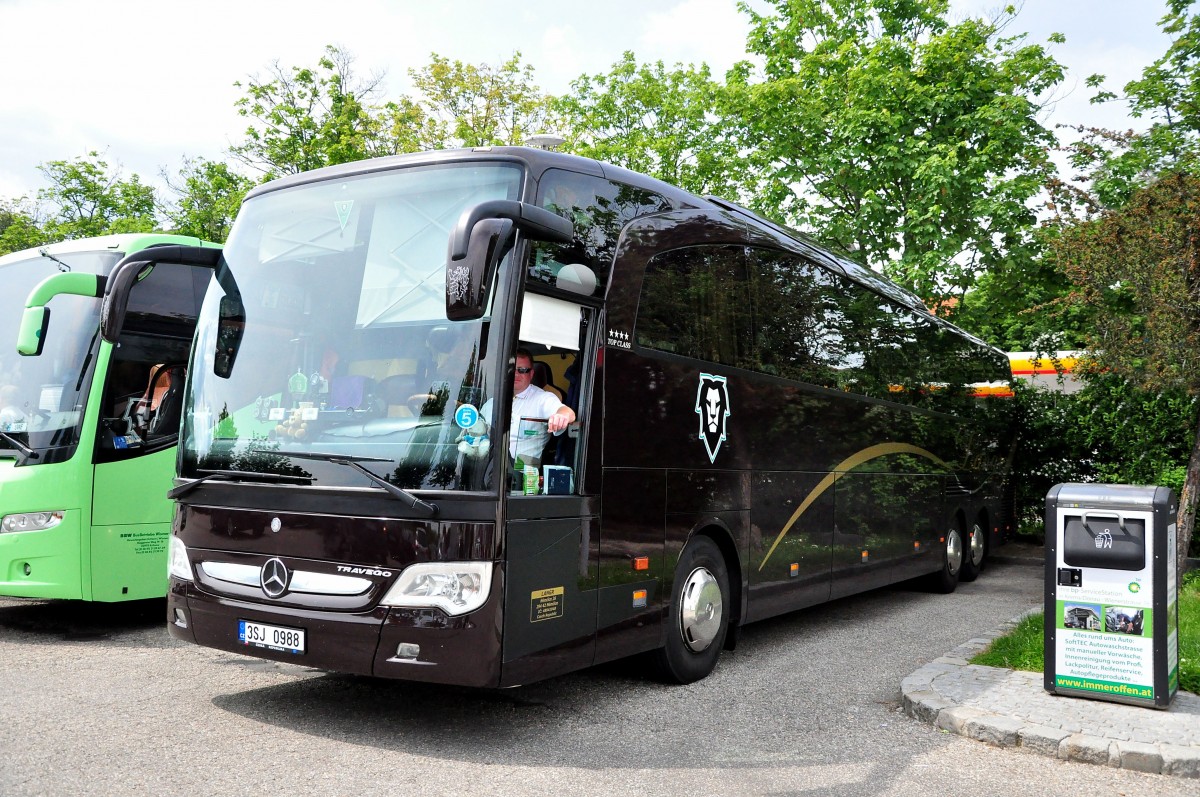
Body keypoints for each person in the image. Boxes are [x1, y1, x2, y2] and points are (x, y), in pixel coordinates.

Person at [481, 348, 575, 469]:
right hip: (485, 470)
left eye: (522, 370)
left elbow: (567, 412)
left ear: (531, 374)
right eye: (511, 369)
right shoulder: (492, 402)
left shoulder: (543, 399)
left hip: (521, 476)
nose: (516, 374)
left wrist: (561, 417)